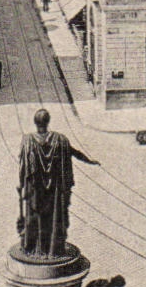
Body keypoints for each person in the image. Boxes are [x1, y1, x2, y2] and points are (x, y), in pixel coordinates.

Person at [16, 109, 97, 258]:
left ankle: (34, 248)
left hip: (35, 191)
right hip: (54, 192)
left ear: (35, 122)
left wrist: (21, 185)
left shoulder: (27, 141)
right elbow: (74, 152)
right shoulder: (60, 140)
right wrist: (89, 160)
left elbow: (23, 166)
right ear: (48, 121)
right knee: (53, 219)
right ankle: (53, 249)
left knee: (35, 218)